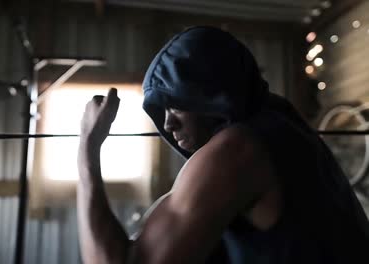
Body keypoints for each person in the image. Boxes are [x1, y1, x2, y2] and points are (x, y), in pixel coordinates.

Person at [76, 26, 369, 264]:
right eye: (161, 112)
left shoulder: (238, 149)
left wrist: (88, 147)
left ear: (212, 97)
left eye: (176, 106)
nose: (167, 125)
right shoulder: (279, 121)